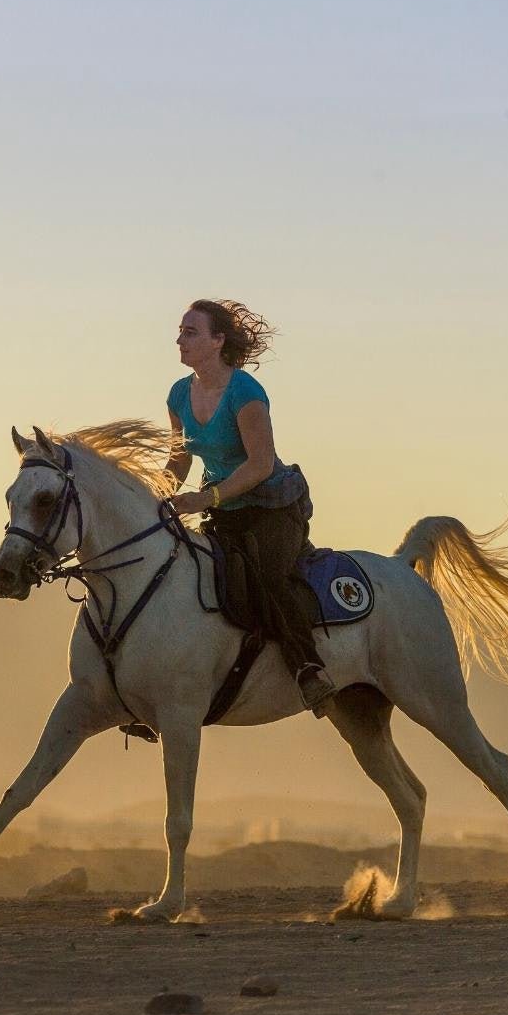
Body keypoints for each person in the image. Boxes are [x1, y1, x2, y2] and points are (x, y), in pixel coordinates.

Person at [164, 299, 335, 712]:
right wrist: (158, 496)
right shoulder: (178, 393)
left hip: (272, 505)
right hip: (224, 510)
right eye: (181, 331)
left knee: (266, 578)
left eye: (191, 332)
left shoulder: (246, 392)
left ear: (218, 341)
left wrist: (206, 498)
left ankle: (309, 669)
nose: (180, 340)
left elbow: (260, 464)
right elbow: (180, 457)